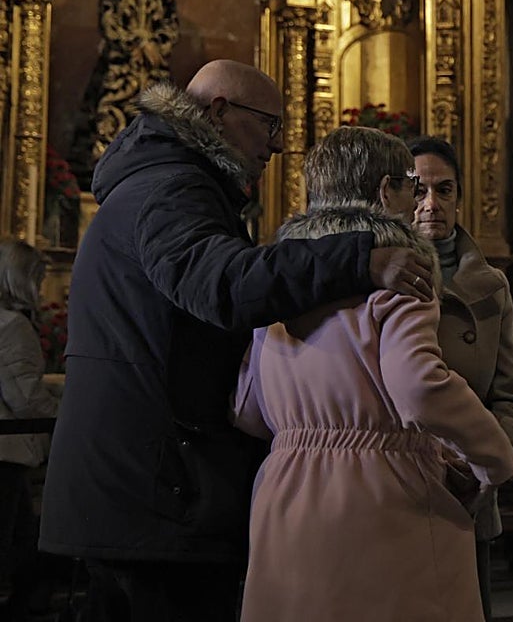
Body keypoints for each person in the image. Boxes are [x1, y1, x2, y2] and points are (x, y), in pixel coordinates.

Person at [39, 59, 435, 622]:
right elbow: (222, 284)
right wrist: (359, 258)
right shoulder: (172, 188)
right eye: (268, 125)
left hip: (141, 483)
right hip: (159, 488)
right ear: (220, 112)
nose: (275, 147)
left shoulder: (163, 180)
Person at [233, 126, 513, 622]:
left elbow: (249, 410)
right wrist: (494, 460)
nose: (418, 201)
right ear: (386, 192)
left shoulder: (282, 283)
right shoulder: (401, 274)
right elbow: (420, 388)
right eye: (411, 184)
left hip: (286, 498)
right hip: (386, 498)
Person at [408, 135, 513, 620]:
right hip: (396, 481)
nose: (431, 205)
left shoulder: (489, 286)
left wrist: (480, 457)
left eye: (445, 190)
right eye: (418, 190)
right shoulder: (372, 278)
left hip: (466, 487)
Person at [69, 0, 181, 189]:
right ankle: (103, 175)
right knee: (108, 117)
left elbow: (171, 27)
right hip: (120, 69)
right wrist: (137, 43)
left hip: (153, 72)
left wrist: (156, 46)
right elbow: (109, 23)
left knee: (159, 122)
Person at [0, 239, 58, 622]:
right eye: (36, 279)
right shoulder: (14, 325)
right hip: (6, 453)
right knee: (19, 545)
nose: (39, 290)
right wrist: (66, 412)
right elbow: (25, 399)